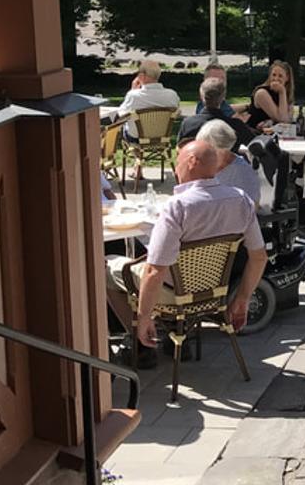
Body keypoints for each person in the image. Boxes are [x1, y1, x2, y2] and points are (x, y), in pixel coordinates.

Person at [112, 140, 267, 350]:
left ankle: (138, 342)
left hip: (173, 291)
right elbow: (259, 257)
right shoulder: (241, 200)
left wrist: (144, 316)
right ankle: (175, 332)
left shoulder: (177, 207)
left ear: (191, 162)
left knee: (106, 267)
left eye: (178, 161)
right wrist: (243, 297)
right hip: (214, 288)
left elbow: (154, 272)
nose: (175, 168)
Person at [195, 120, 263, 208]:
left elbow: (252, 207)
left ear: (224, 149)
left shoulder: (243, 172)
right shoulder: (205, 164)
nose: (204, 154)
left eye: (209, 150)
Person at [179, 78, 256, 149]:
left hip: (196, 162)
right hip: (226, 163)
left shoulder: (188, 124)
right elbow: (254, 143)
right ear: (223, 96)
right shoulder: (235, 125)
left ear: (201, 96)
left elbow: (180, 147)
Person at [115, 60, 180, 139]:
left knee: (124, 127)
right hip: (163, 135)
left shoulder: (134, 96)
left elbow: (121, 115)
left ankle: (135, 151)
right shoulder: (172, 95)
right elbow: (177, 112)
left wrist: (132, 90)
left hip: (137, 137)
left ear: (142, 76)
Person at [248, 60, 294, 130]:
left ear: (287, 78)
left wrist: (272, 121)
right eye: (274, 75)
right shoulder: (262, 93)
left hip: (275, 134)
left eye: (280, 76)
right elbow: (283, 121)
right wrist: (282, 92)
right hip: (257, 135)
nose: (276, 79)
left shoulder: (285, 94)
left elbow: (288, 119)